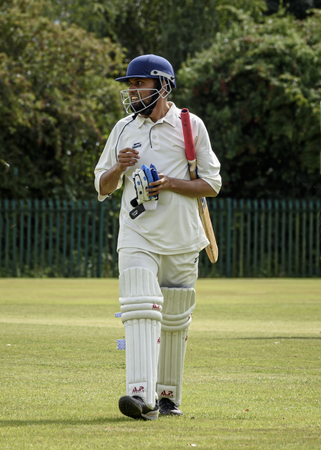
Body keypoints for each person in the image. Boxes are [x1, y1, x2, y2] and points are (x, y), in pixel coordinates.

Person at [94, 54, 222, 420]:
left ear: (162, 86)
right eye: (130, 85)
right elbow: (102, 187)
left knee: (175, 316)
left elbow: (211, 185)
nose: (132, 91)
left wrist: (170, 183)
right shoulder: (123, 128)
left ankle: (167, 397)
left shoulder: (189, 125)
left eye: (139, 84)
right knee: (139, 303)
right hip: (137, 232)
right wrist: (118, 166)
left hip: (182, 236)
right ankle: (141, 396)